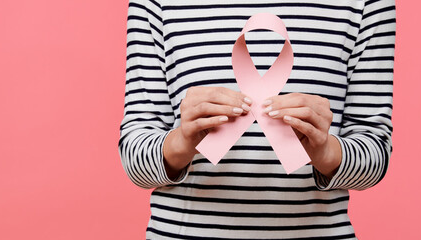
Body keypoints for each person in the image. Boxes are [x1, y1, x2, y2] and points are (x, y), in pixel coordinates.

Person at [118, 0, 395, 239]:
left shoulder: (366, 4)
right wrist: (182, 141)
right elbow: (134, 162)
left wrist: (326, 151)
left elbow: (375, 155)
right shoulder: (157, 3)